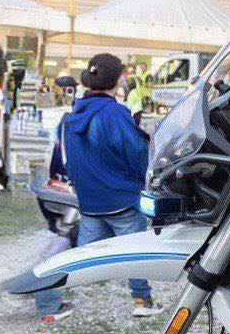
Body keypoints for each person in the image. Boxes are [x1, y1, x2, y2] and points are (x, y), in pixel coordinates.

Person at [59, 53, 160, 317]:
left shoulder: (72, 115)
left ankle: (52, 291)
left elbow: (68, 160)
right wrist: (147, 181)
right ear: (117, 81)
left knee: (81, 257)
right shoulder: (114, 113)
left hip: (90, 201)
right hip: (121, 199)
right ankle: (142, 302)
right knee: (134, 253)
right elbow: (137, 152)